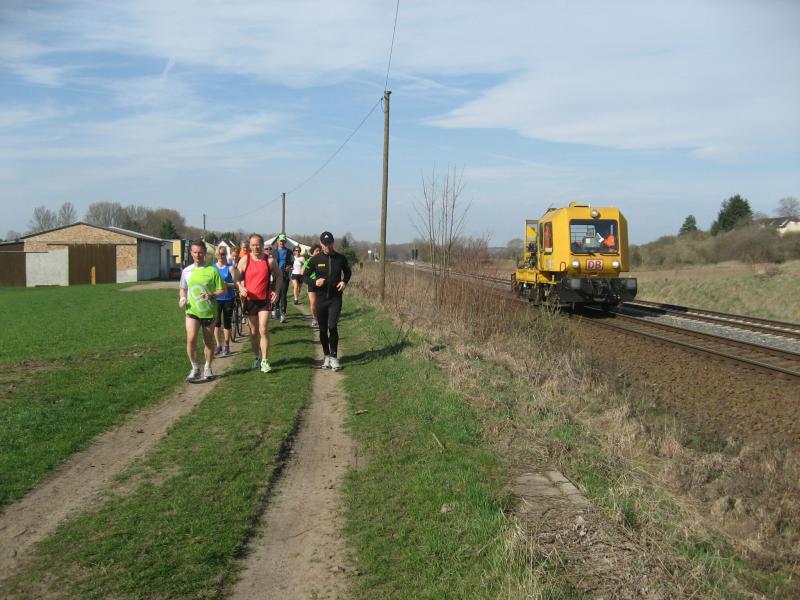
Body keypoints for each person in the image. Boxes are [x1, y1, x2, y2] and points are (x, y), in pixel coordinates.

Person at [179, 240, 226, 382]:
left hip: (209, 312)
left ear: (205, 253)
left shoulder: (212, 270)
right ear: (191, 253)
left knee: (208, 341)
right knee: (191, 339)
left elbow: (222, 290)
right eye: (195, 252)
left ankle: (207, 367)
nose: (197, 255)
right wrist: (182, 298)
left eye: (200, 252)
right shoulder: (186, 271)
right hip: (192, 311)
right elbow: (183, 288)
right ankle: (195, 368)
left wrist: (211, 295)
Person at [236, 234, 282, 373]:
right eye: (253, 245)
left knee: (263, 329)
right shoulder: (245, 260)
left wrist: (277, 291)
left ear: (262, 245)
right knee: (254, 332)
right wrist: (241, 287)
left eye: (258, 244)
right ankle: (257, 357)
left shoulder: (270, 260)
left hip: (264, 300)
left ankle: (265, 361)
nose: (256, 247)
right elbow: (236, 278)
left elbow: (279, 275)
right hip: (250, 300)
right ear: (250, 246)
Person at [305, 232, 351, 371]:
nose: (327, 246)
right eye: (324, 244)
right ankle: (326, 356)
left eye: (329, 243)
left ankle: (334, 357)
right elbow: (304, 276)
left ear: (333, 242)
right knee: (323, 329)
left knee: (332, 326)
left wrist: (344, 281)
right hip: (321, 299)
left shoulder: (340, 258)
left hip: (335, 298)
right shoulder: (315, 259)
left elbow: (348, 272)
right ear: (321, 243)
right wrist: (315, 282)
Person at [213, 244, 239, 357]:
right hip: (216, 298)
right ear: (216, 255)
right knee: (216, 323)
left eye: (223, 254)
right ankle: (218, 345)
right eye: (218, 254)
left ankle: (227, 345)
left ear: (226, 255)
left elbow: (236, 284)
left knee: (227, 323)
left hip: (228, 298)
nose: (220, 256)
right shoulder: (213, 268)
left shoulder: (230, 268)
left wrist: (226, 284)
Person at [272, 234, 292, 323]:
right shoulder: (274, 252)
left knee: (283, 294)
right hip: (275, 276)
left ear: (285, 242)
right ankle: (276, 309)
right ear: (277, 241)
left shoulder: (289, 252)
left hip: (284, 275)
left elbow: (292, 261)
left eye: (283, 241)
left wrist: (289, 266)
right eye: (280, 241)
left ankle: (283, 313)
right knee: (277, 294)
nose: (282, 242)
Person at [302, 243, 321, 328]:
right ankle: (315, 318)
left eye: (320, 251)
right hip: (312, 283)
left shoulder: (323, 260)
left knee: (321, 302)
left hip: (321, 284)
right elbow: (302, 272)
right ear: (312, 252)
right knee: (313, 302)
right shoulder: (309, 261)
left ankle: (322, 317)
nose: (319, 252)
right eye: (317, 251)